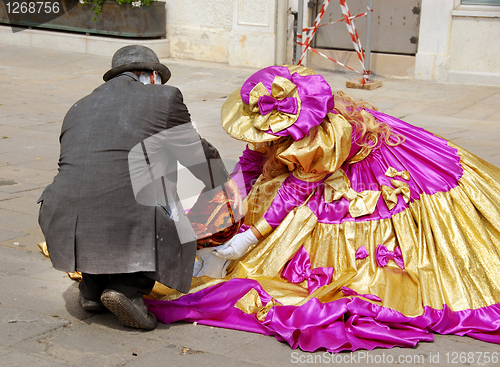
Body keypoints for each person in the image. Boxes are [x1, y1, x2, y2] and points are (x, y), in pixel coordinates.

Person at [145, 65, 500, 352]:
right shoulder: (273, 131)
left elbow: (294, 192)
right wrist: (219, 214)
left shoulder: (321, 138)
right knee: (261, 190)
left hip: (376, 169)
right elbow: (250, 167)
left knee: (317, 220)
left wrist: (248, 238)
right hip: (314, 169)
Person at [37, 45, 240, 330]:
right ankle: (128, 287)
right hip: (122, 211)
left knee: (103, 188)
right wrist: (222, 185)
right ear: (151, 75)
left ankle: (92, 287)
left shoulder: (79, 105)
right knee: (171, 197)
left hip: (59, 211)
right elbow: (194, 153)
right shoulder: (165, 97)